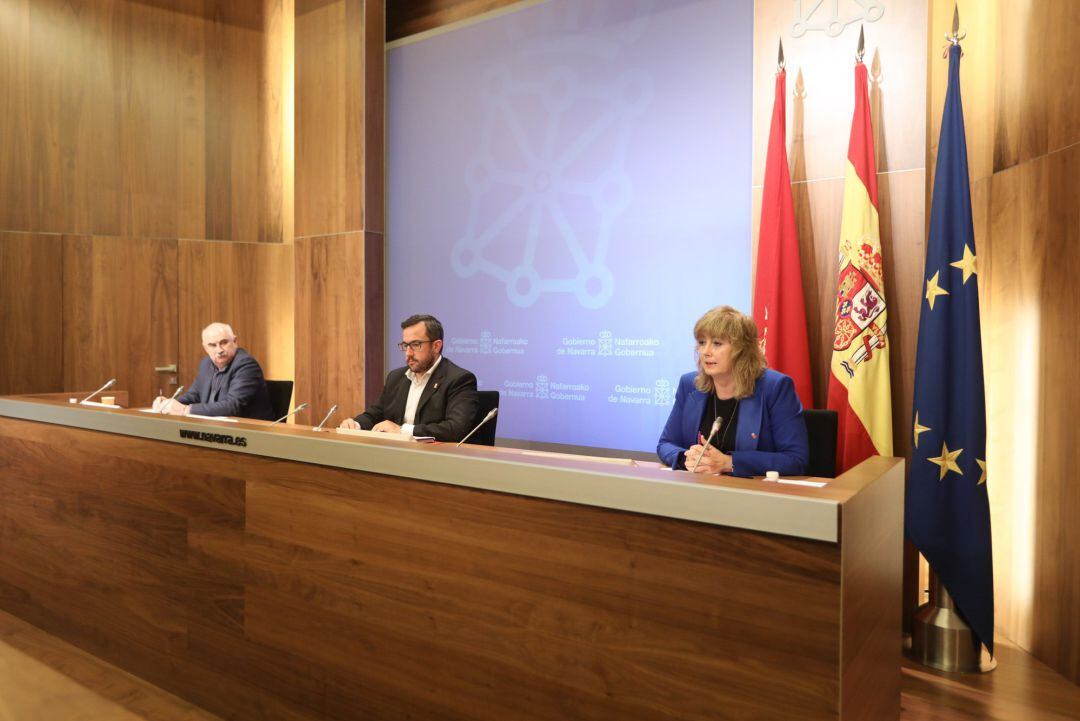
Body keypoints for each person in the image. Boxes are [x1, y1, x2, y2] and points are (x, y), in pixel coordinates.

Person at [657, 305, 808, 477]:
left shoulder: (775, 388)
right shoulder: (690, 385)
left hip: (752, 496)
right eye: (701, 342)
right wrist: (687, 458)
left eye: (717, 343)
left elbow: (796, 460)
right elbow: (666, 444)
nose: (705, 352)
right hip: (699, 491)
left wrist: (729, 463)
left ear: (741, 350)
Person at [340, 314, 478, 442]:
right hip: (396, 455)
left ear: (436, 346)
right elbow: (375, 414)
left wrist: (402, 430)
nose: (408, 353)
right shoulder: (396, 377)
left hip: (436, 459)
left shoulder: (459, 379)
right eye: (405, 345)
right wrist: (355, 424)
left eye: (415, 345)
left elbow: (456, 429)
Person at [152, 322, 275, 421]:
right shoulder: (206, 363)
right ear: (205, 347)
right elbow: (194, 395)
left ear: (235, 341)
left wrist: (185, 410)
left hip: (248, 433)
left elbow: (232, 406)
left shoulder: (246, 365)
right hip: (215, 428)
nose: (219, 350)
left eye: (224, 343)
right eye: (212, 345)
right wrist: (170, 403)